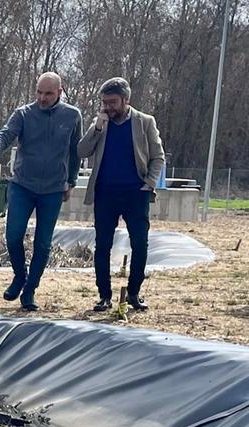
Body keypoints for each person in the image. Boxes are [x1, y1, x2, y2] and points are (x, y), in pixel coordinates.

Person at [0, 72, 82, 311]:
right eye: (39, 92)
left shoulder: (72, 116)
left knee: (43, 243)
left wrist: (71, 181)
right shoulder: (24, 114)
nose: (42, 98)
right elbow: (4, 135)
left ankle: (30, 289)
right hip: (22, 185)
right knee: (13, 235)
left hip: (53, 189)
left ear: (60, 91)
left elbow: (75, 150)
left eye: (48, 93)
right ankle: (19, 275)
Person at [78, 77, 165, 312]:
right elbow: (82, 151)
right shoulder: (100, 124)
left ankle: (134, 293)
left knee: (140, 243)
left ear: (126, 100)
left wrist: (149, 183)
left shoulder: (145, 122)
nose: (108, 107)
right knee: (102, 244)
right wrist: (97, 128)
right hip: (105, 192)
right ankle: (103, 295)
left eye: (113, 102)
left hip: (136, 193)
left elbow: (158, 156)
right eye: (105, 102)